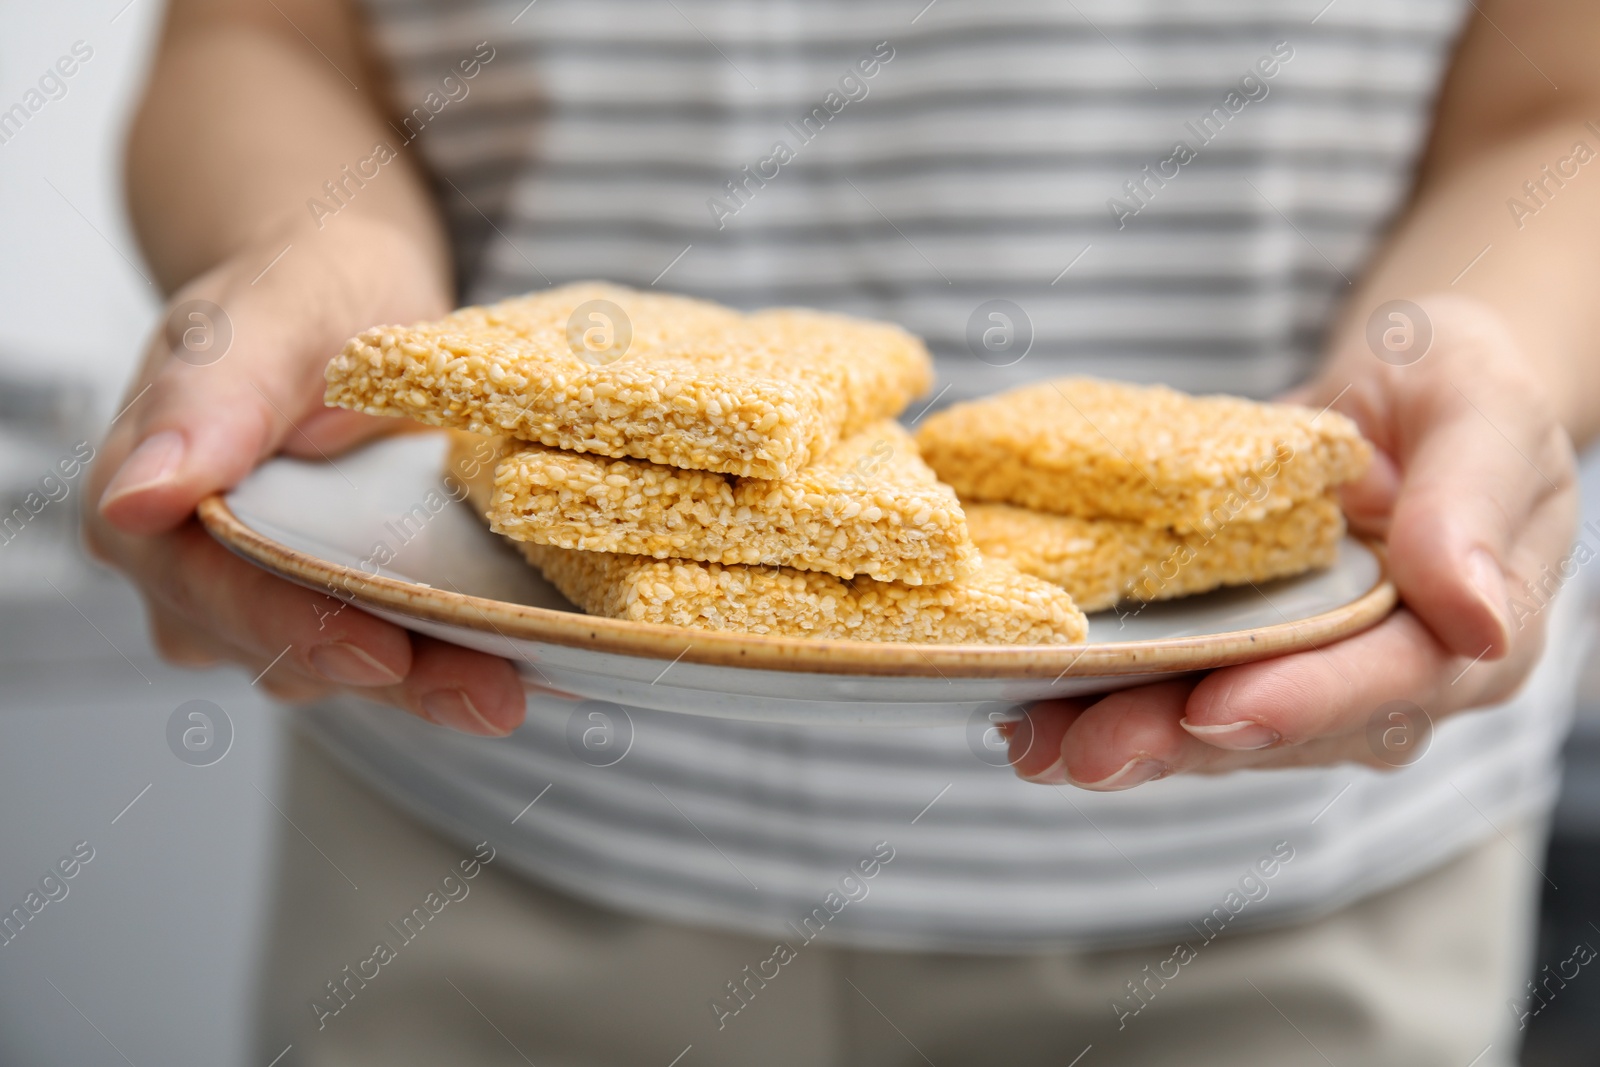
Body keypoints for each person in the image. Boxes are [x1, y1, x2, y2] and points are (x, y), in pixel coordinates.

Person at [86, 0, 1597, 1063]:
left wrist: (1488, 344)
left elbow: (1568, 103)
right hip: (480, 817)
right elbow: (258, 31)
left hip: (1275, 903)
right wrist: (314, 240)